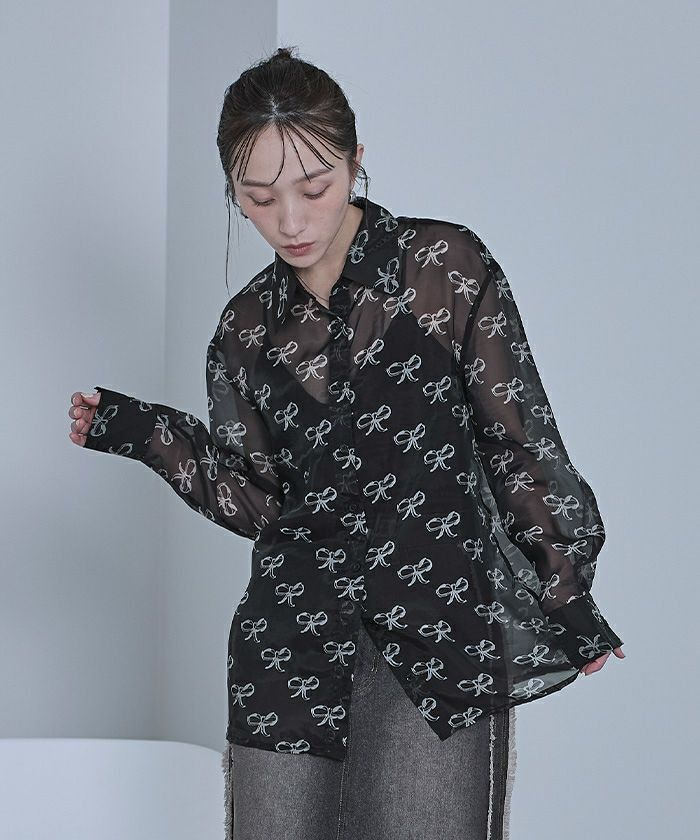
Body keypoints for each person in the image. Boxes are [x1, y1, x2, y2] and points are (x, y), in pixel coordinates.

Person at [68, 45, 625, 840]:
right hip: (288, 643)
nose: (290, 221)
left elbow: (516, 440)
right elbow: (260, 502)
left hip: (438, 635)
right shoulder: (244, 330)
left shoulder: (444, 269)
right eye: (258, 199)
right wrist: (146, 433)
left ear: (356, 160)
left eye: (314, 187)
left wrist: (564, 589)